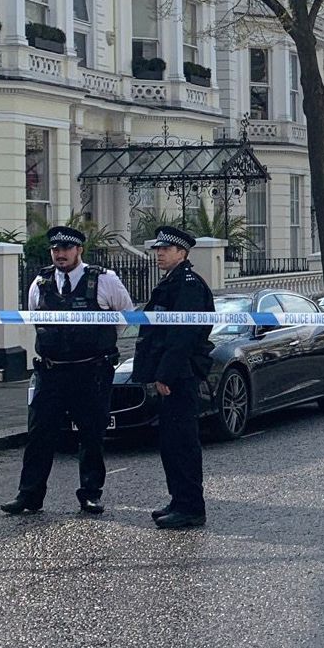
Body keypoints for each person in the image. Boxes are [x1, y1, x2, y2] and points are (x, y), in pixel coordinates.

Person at [1, 226, 135, 516]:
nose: (60, 254)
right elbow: (36, 318)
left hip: (91, 372)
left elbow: (125, 315)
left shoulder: (103, 280)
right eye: (55, 249)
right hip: (52, 372)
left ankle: (90, 494)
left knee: (91, 435)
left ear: (79, 250)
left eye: (66, 249)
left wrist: (98, 345)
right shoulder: (41, 281)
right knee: (39, 435)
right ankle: (29, 496)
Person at [132, 226, 215, 530]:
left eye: (166, 249)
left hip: (180, 375)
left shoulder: (188, 285)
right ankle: (179, 499)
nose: (160, 254)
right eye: (158, 249)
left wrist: (165, 374)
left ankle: (191, 506)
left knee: (182, 442)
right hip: (170, 373)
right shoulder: (173, 282)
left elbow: (182, 335)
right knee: (170, 442)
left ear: (182, 253)